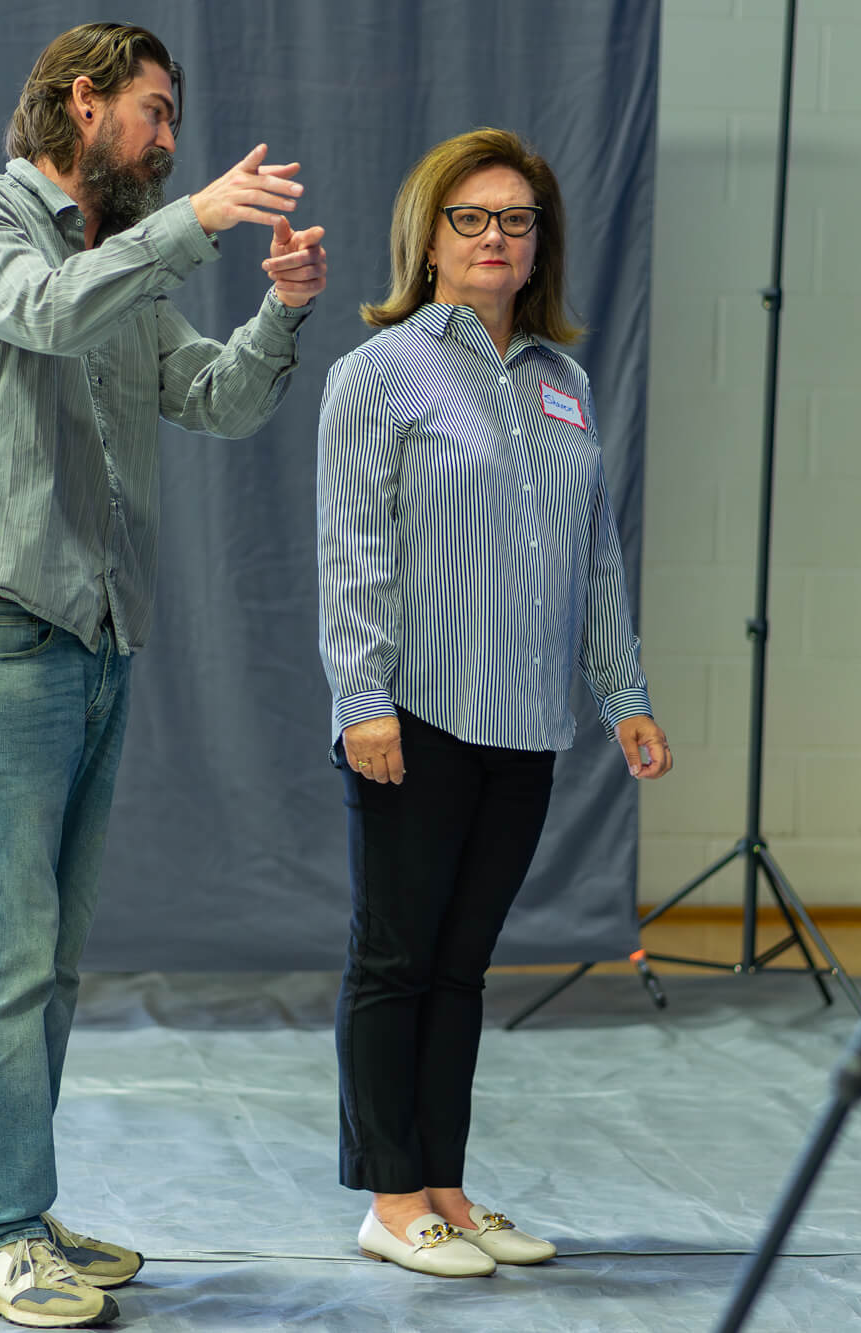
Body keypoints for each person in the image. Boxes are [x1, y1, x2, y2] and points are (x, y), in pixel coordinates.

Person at [0, 22, 326, 1328]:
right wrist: (191, 224)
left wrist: (281, 313)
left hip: (92, 644)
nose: (169, 140)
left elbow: (216, 398)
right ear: (80, 107)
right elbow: (43, 311)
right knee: (4, 957)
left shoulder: (118, 268)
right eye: (151, 110)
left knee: (51, 962)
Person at [316, 127, 672, 1279]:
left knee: (462, 965)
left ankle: (447, 1187)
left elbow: (595, 553)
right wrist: (361, 696)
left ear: (537, 247)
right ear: (428, 239)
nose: (494, 237)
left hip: (526, 720)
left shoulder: (562, 384)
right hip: (413, 716)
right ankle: (388, 1195)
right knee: (396, 958)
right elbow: (355, 550)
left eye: (515, 220)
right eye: (470, 217)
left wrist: (622, 692)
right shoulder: (377, 374)